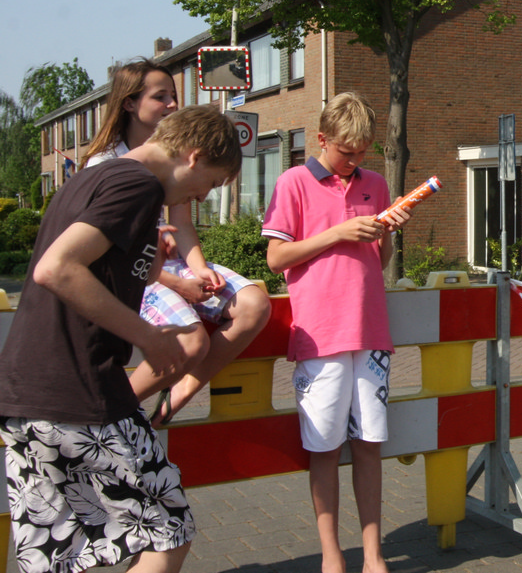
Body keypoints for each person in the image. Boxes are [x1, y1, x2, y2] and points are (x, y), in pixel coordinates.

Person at [0, 104, 243, 573]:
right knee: (169, 529)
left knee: (55, 556)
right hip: (79, 390)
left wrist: (150, 256)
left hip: (28, 392)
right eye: (211, 183)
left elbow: (97, 268)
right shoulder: (139, 186)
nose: (202, 196)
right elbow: (57, 269)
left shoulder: (96, 177)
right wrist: (149, 337)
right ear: (194, 156)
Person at [262, 92, 411, 573]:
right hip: (320, 334)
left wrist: (387, 233)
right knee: (323, 449)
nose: (354, 161)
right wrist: (337, 234)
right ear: (321, 139)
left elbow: (379, 262)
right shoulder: (292, 183)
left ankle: (373, 555)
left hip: (369, 332)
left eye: (362, 152)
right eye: (346, 151)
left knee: (369, 446)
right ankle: (332, 556)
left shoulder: (376, 184)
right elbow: (276, 258)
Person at [80, 57, 271, 426]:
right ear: (129, 103)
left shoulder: (176, 152)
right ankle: (115, 412)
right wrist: (177, 284)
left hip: (166, 263)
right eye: (160, 96)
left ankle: (184, 388)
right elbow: (113, 256)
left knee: (253, 305)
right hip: (134, 270)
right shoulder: (108, 165)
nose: (171, 104)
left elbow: (181, 222)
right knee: (192, 341)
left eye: (174, 96)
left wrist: (199, 271)